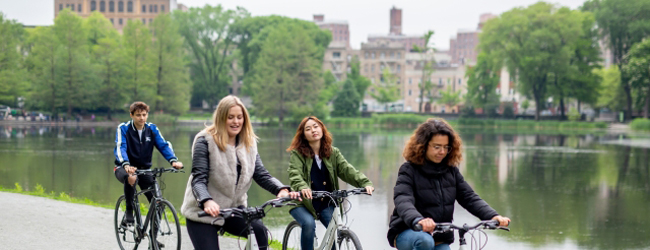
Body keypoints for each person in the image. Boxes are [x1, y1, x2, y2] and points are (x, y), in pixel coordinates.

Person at [180, 95, 300, 250]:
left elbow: (261, 174)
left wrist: (281, 189)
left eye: (239, 117)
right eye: (230, 117)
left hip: (234, 209)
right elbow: (198, 179)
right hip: (202, 212)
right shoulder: (205, 141)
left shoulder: (249, 143)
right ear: (222, 118)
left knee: (260, 233)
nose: (236, 122)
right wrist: (206, 201)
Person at [387, 118, 511, 250]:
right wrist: (418, 220)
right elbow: (403, 199)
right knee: (425, 241)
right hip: (409, 231)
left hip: (440, 238)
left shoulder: (451, 171)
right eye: (437, 147)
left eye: (446, 147)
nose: (442, 152)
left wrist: (493, 216)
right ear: (422, 146)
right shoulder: (409, 170)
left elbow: (469, 197)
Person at [286, 116, 374, 250]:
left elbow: (347, 170)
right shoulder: (297, 154)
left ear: (322, 128)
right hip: (302, 202)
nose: (313, 130)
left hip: (325, 202)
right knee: (309, 224)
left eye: (316, 126)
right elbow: (295, 174)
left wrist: (364, 183)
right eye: (308, 129)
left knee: (335, 230)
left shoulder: (333, 153)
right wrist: (303, 187)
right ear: (303, 135)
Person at [113, 101, 183, 225]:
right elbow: (121, 147)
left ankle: (153, 240)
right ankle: (129, 210)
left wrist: (173, 160)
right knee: (132, 177)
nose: (142, 118)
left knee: (158, 203)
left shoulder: (152, 129)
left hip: (144, 169)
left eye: (144, 115)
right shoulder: (123, 128)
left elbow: (163, 145)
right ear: (131, 115)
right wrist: (126, 164)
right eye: (138, 115)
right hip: (124, 167)